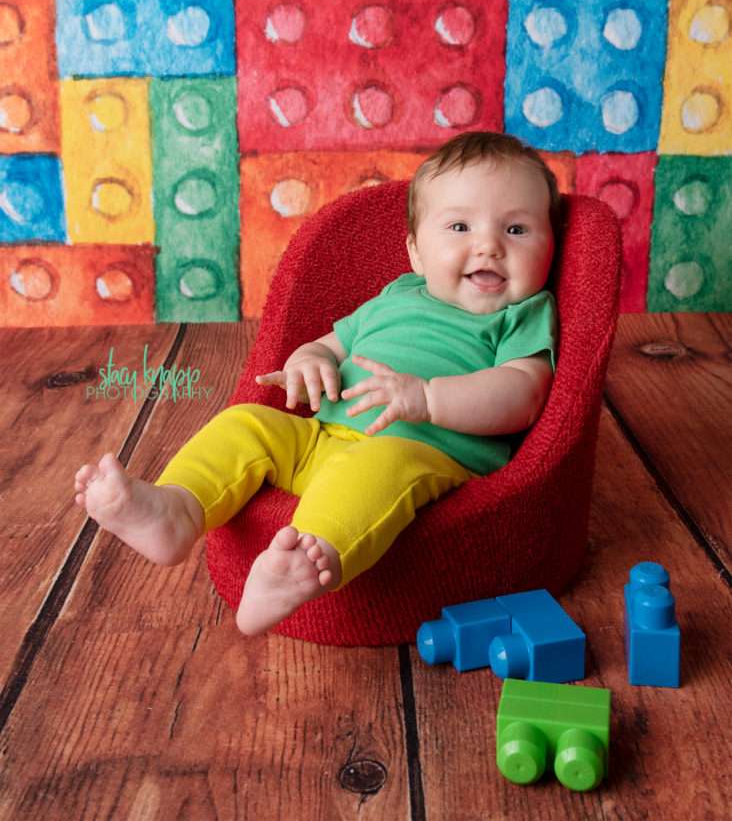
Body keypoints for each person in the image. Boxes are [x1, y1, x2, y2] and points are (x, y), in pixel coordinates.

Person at [74, 131, 560, 636]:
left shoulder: (523, 312)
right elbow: (331, 344)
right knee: (248, 423)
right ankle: (175, 509)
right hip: (320, 438)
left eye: (518, 230)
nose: (488, 246)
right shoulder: (399, 294)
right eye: (460, 225)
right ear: (416, 252)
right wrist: (308, 362)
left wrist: (428, 400)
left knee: (377, 470)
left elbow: (522, 394)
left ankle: (302, 561)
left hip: (420, 455)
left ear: (551, 245)